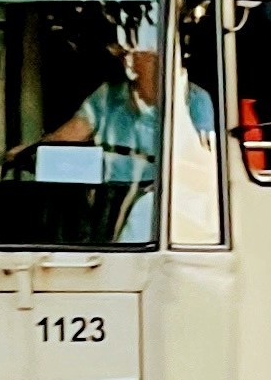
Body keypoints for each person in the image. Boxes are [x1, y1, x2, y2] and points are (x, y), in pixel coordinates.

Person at [22, 41, 215, 241]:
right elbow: (66, 137)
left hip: (162, 208)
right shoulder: (108, 96)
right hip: (107, 206)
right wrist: (29, 152)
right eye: (125, 54)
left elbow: (200, 165)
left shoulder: (194, 100)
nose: (128, 61)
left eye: (142, 55)